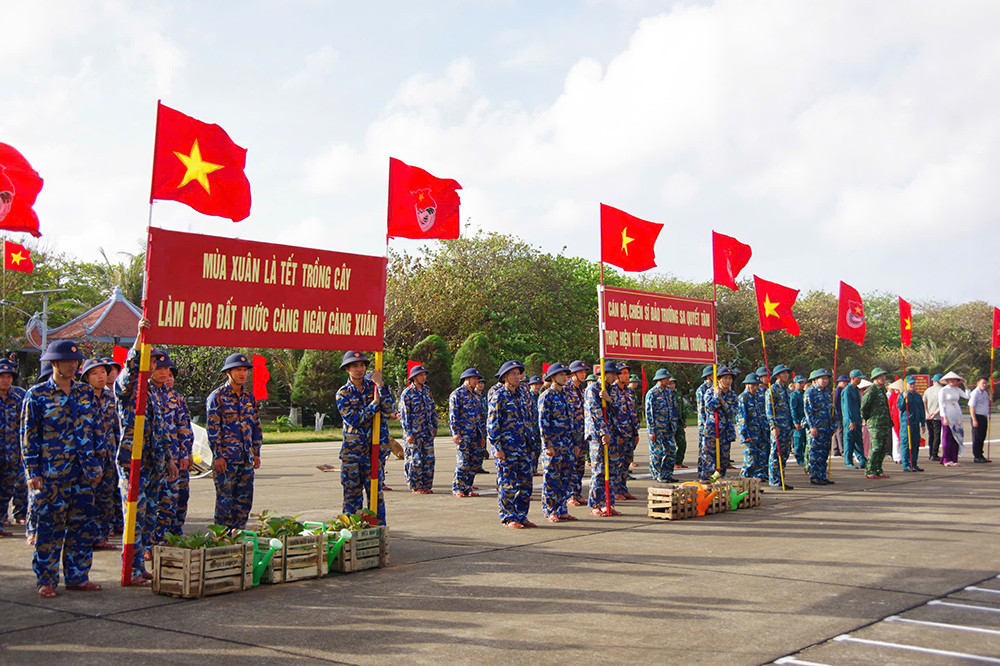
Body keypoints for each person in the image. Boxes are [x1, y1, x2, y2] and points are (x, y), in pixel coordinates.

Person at [22, 340, 102, 598]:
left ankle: (78, 576)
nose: (72, 365)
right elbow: (29, 435)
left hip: (83, 472)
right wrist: (32, 472)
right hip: (51, 473)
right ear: (53, 363)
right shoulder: (36, 395)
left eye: (75, 361)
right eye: (67, 361)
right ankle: (46, 579)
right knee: (49, 528)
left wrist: (97, 463)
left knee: (83, 526)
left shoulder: (85, 393)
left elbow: (96, 430)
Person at [116, 321, 178, 583]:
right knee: (135, 515)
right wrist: (141, 336)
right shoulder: (129, 387)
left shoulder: (153, 391)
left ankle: (139, 566)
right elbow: (130, 369)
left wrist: (169, 459)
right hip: (133, 462)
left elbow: (161, 429)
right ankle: (129, 568)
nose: (152, 364)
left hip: (153, 463)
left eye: (154, 361)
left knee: (148, 517)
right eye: (148, 359)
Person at [336, 351, 393, 524]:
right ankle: (352, 533)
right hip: (353, 453)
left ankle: (378, 531)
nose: (359, 369)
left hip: (374, 451)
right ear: (347, 369)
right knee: (352, 496)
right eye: (354, 366)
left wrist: (381, 385)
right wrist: (374, 405)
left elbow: (389, 408)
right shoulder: (343, 393)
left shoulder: (374, 387)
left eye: (361, 365)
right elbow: (354, 419)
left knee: (375, 495)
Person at [206, 353, 262, 531]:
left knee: (244, 501)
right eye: (239, 370)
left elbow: (255, 426)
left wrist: (256, 452)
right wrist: (218, 456)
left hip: (246, 459)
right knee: (225, 502)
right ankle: (222, 539)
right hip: (226, 460)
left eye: (245, 370)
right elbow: (213, 429)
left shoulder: (248, 397)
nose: (243, 373)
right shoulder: (217, 397)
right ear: (228, 372)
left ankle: (238, 536)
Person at [488, 360, 534, 528]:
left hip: (523, 447)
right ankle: (508, 517)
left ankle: (521, 515)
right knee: (508, 485)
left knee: (526, 485)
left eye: (518, 373)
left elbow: (528, 420)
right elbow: (493, 424)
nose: (517, 377)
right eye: (513, 373)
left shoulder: (523, 394)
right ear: (505, 377)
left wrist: (531, 445)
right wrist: (497, 448)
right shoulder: (498, 396)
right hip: (507, 449)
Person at [78, 359, 119, 550]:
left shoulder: (111, 397)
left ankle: (101, 536)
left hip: (109, 455)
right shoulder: (80, 397)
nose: (101, 376)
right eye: (95, 373)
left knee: (106, 498)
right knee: (86, 499)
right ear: (86, 377)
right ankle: (84, 538)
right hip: (87, 457)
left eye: (103, 372)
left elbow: (116, 427)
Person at [538, 363, 578, 522]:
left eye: (566, 374)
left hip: (567, 444)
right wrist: (547, 444)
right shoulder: (547, 395)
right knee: (551, 479)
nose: (565, 377)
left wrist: (575, 443)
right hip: (553, 445)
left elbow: (572, 421)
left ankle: (562, 509)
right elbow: (543, 422)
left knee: (565, 478)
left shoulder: (567, 395)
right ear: (552, 377)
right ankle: (550, 510)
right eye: (561, 374)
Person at [159, 370, 193, 539]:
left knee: (182, 494)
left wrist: (187, 452)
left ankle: (176, 530)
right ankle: (158, 536)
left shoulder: (177, 398)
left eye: (171, 375)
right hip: (160, 457)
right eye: (166, 374)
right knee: (163, 499)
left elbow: (185, 426)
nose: (169, 378)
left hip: (179, 456)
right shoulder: (150, 395)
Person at [586, 361, 620, 516]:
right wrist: (603, 432)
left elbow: (618, 410)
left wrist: (609, 400)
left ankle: (609, 503)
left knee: (612, 470)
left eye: (615, 374)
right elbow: (595, 412)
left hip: (611, 433)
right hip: (598, 435)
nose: (614, 377)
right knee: (599, 470)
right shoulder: (593, 389)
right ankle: (596, 504)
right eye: (612, 374)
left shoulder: (612, 389)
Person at [400, 364, 438, 494]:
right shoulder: (408, 393)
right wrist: (408, 433)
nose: (423, 377)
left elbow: (432, 409)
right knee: (415, 460)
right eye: (420, 375)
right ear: (414, 378)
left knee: (429, 460)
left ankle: (426, 485)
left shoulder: (427, 390)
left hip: (427, 432)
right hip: (414, 433)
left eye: (424, 375)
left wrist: (435, 426)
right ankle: (415, 486)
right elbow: (405, 415)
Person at [449, 368, 485, 498]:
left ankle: (467, 486)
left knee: (474, 462)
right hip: (463, 434)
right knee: (463, 462)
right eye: (474, 378)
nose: (477, 381)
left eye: (477, 379)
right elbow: (453, 415)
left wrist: (482, 435)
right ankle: (457, 487)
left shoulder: (476, 396)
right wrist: (455, 432)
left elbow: (480, 416)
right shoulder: (457, 394)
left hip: (475, 434)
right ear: (466, 379)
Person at [0, 360, 26, 536]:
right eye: (2, 376)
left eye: (9, 377)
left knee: (6, 491)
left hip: (11, 454)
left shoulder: (16, 399)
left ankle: (1, 521)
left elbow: (22, 427)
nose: (6, 380)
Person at [702, 367, 738, 481]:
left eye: (730, 378)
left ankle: (719, 483)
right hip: (713, 431)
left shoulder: (732, 395)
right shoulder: (710, 392)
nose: (728, 381)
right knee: (709, 460)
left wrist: (723, 402)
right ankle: (707, 483)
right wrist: (717, 396)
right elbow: (710, 407)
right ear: (719, 380)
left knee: (723, 460)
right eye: (725, 378)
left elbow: (732, 413)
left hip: (726, 432)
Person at [645, 369, 678, 483]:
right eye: (666, 378)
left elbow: (673, 409)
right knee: (657, 452)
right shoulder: (652, 393)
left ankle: (667, 473)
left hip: (668, 428)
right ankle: (657, 474)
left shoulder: (669, 392)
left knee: (672, 451)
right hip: (657, 428)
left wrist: (673, 426)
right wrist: (651, 430)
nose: (668, 380)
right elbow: (649, 413)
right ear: (659, 379)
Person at [766, 364, 795, 490]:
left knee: (784, 454)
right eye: (783, 373)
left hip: (787, 426)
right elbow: (769, 410)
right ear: (777, 376)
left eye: (787, 373)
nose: (786, 375)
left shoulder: (786, 390)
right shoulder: (772, 390)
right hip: (778, 427)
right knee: (775, 454)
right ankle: (774, 480)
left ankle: (781, 478)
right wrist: (773, 426)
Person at [564, 361, 589, 506]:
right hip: (570, 435)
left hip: (582, 434)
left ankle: (577, 492)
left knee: (580, 466)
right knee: (570, 467)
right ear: (572, 374)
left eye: (584, 372)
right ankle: (569, 495)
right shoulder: (567, 389)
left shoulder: (582, 390)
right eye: (580, 372)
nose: (583, 374)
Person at [803, 369, 834, 485]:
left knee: (824, 452)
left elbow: (832, 409)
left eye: (827, 379)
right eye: (823, 378)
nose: (825, 381)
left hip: (826, 427)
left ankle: (822, 475)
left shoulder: (827, 393)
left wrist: (834, 424)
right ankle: (814, 475)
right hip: (816, 427)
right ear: (815, 380)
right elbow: (808, 411)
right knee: (814, 452)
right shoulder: (810, 392)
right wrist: (812, 426)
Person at [861, 368, 892, 479]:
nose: (883, 378)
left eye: (884, 376)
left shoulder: (882, 390)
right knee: (876, 447)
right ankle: (870, 470)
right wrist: (867, 418)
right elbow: (864, 407)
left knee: (883, 447)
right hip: (875, 423)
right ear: (874, 378)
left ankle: (878, 469)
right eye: (880, 376)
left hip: (884, 422)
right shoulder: (871, 390)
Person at [613, 363, 639, 498]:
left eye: (627, 373)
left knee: (626, 462)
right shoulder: (613, 391)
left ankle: (623, 488)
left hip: (630, 431)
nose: (627, 376)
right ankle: (616, 490)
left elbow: (633, 412)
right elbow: (612, 415)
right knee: (618, 463)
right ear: (617, 375)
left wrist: (635, 432)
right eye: (623, 373)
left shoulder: (628, 391)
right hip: (619, 433)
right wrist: (616, 434)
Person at [738, 373, 768, 481]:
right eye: (753, 385)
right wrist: (745, 435)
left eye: (757, 385)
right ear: (746, 384)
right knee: (750, 462)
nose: (755, 388)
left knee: (759, 462)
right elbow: (741, 419)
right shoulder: (743, 398)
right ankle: (742, 483)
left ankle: (753, 486)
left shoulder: (756, 397)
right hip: (749, 436)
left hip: (758, 435)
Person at [938, 371, 968, 467]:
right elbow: (941, 404)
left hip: (957, 416)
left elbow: (967, 396)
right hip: (948, 415)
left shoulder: (957, 389)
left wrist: (965, 385)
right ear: (947, 380)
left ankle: (954, 459)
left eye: (954, 379)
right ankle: (946, 459)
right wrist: (944, 417)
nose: (952, 381)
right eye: (950, 379)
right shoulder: (943, 390)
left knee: (956, 438)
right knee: (947, 438)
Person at [897, 376, 926, 472]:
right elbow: (900, 408)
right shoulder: (902, 395)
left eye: (914, 383)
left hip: (915, 423)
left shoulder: (918, 396)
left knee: (915, 443)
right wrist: (904, 398)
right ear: (906, 385)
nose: (912, 385)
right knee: (906, 443)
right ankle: (906, 464)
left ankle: (914, 463)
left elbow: (921, 410)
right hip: (907, 423)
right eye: (910, 384)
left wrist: (923, 423)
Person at [842, 370, 868, 469]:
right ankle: (848, 461)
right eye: (859, 378)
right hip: (850, 420)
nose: (860, 380)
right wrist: (850, 420)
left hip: (857, 419)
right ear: (853, 378)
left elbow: (859, 406)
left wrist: (861, 418)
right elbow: (846, 407)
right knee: (849, 440)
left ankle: (862, 459)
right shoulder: (847, 390)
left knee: (858, 440)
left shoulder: (856, 389)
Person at [968, 376, 991, 463]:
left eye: (986, 383)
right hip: (977, 416)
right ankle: (976, 456)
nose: (984, 385)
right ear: (978, 383)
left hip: (984, 417)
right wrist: (974, 419)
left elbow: (989, 404)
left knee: (982, 436)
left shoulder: (985, 393)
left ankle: (980, 454)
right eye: (983, 383)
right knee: (977, 437)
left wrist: (991, 394)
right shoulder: (975, 393)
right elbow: (971, 406)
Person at [694, 366, 714, 466]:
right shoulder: (702, 389)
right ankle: (702, 469)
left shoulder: (716, 388)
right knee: (704, 448)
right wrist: (705, 424)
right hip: (705, 424)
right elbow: (701, 409)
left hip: (715, 423)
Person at [525, 375, 544, 476]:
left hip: (538, 427)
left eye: (539, 384)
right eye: (535, 384)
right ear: (530, 385)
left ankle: (534, 469)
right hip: (530, 428)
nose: (537, 386)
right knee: (530, 450)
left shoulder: (540, 396)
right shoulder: (528, 397)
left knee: (537, 450)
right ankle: (529, 470)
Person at [923, 374, 944, 461]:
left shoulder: (928, 390)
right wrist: (935, 413)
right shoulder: (943, 390)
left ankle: (930, 453)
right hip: (937, 416)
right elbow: (943, 404)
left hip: (928, 416)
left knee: (931, 435)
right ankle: (934, 454)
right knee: (937, 435)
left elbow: (924, 402)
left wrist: (927, 413)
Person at [790, 375, 807, 466]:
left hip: (806, 420)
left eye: (803, 382)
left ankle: (805, 457)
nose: (802, 384)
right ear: (795, 384)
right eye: (799, 383)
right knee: (798, 441)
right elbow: (793, 409)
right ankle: (799, 458)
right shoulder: (794, 395)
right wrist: (796, 422)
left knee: (805, 440)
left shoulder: (805, 393)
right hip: (798, 420)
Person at [473, 378, 490, 474]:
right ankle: (474, 467)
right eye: (479, 383)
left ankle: (479, 466)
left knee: (483, 447)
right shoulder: (473, 395)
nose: (481, 385)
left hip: (484, 424)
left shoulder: (484, 396)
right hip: (476, 426)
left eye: (482, 383)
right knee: (475, 448)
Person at [673, 377, 689, 468]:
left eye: (673, 383)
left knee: (682, 443)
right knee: (671, 445)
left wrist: (684, 420)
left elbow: (682, 408)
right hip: (670, 423)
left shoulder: (678, 394)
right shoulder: (666, 395)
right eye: (670, 383)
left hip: (679, 422)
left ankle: (679, 461)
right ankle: (673, 462)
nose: (671, 385)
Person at [832, 375, 848, 457]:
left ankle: (836, 449)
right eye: (844, 382)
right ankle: (842, 449)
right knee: (840, 430)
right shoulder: (838, 391)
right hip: (838, 412)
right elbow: (836, 403)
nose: (845, 383)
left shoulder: (841, 390)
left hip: (838, 412)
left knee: (837, 431)